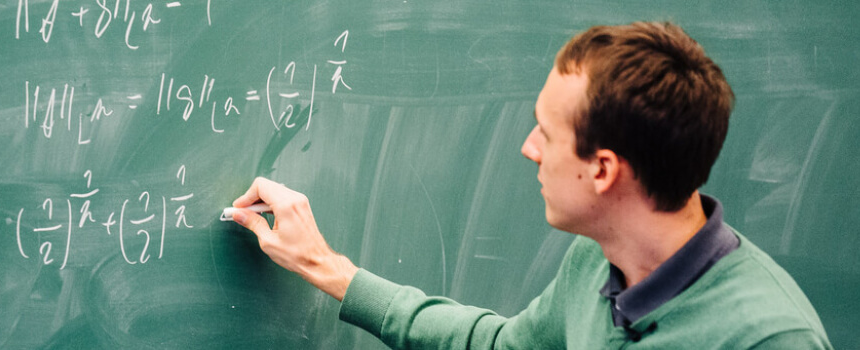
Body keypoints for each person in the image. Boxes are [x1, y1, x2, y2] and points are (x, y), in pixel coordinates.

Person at [229, 22, 833, 349]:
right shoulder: (597, 264)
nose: (527, 147)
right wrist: (328, 268)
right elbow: (504, 346)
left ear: (603, 170)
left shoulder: (769, 339)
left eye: (547, 132)